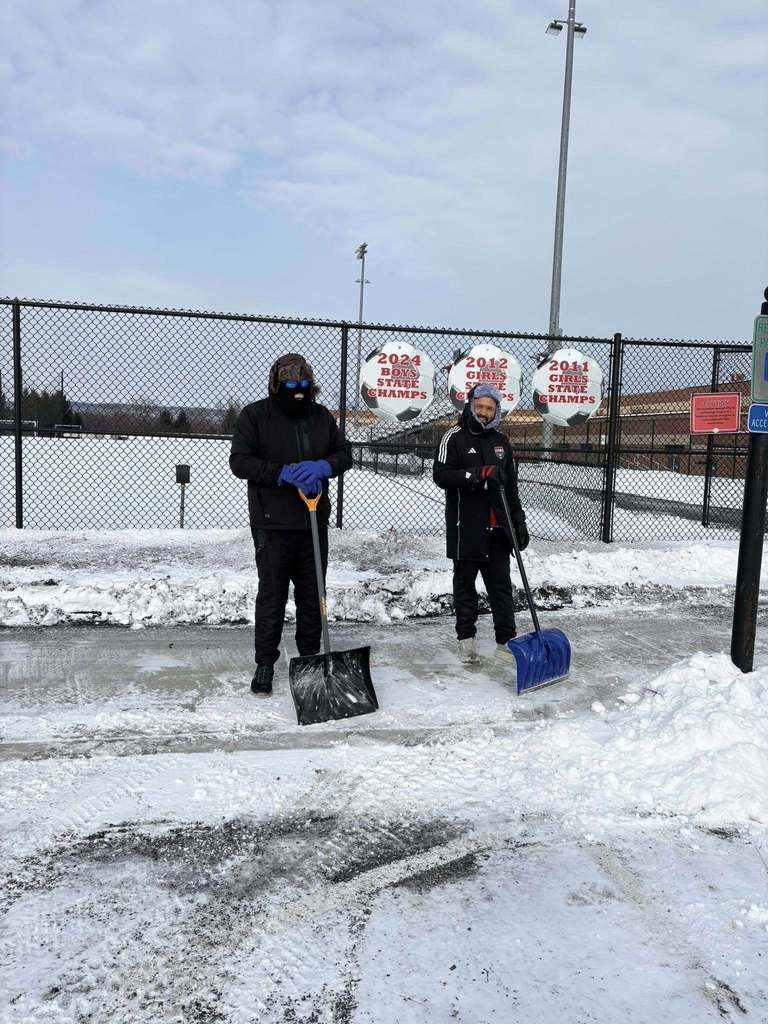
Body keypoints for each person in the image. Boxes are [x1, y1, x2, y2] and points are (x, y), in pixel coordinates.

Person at [229, 353, 353, 695]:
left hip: (313, 519)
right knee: (272, 594)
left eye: (303, 385)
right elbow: (239, 461)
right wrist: (279, 474)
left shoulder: (320, 416)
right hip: (272, 522)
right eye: (290, 385)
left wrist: (324, 467)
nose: (297, 391)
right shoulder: (256, 415)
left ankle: (311, 660)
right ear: (277, 384)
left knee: (314, 594)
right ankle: (265, 663)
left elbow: (345, 452)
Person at [433, 382, 529, 664]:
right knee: (465, 587)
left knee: (501, 588)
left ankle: (505, 643)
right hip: (467, 528)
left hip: (498, 529)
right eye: (480, 407)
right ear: (471, 405)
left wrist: (518, 521)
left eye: (490, 408)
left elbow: (511, 488)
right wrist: (478, 474)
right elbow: (441, 476)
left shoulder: (501, 442)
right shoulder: (454, 437)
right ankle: (466, 641)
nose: (484, 412)